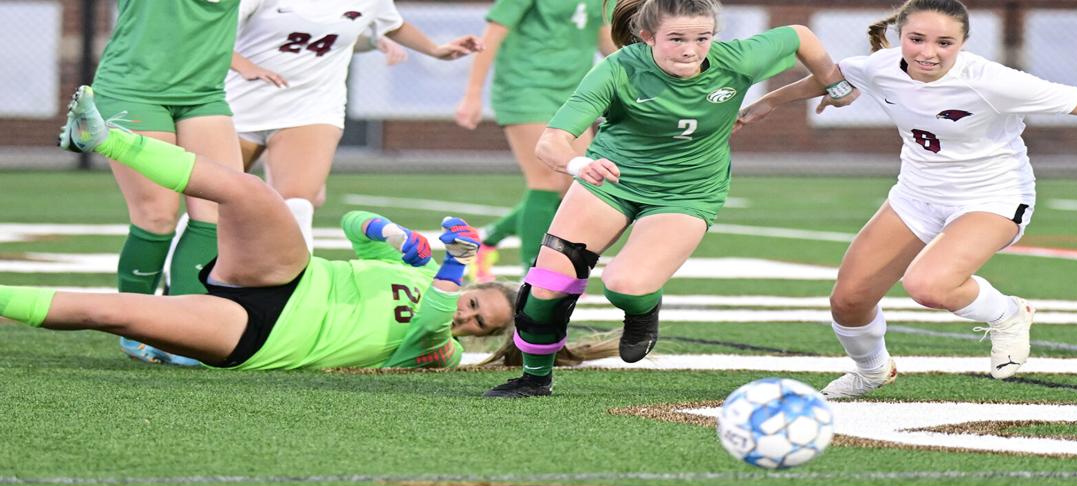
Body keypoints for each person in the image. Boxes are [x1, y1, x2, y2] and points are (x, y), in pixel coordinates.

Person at [736, 0, 1077, 398]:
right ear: (900, 37)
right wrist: (770, 102)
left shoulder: (990, 80)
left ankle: (1009, 313)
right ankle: (872, 372)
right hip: (916, 194)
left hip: (993, 195)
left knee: (929, 285)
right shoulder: (883, 66)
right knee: (848, 301)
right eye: (917, 39)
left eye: (944, 42)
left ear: (963, 43)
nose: (928, 52)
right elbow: (833, 78)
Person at [482, 0, 858, 397]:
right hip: (611, 180)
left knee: (625, 285)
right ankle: (535, 378)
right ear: (648, 37)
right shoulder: (620, 68)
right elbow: (551, 142)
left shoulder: (737, 59)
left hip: (688, 192)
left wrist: (833, 83)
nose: (691, 50)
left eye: (702, 38)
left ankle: (641, 311)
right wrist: (578, 165)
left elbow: (799, 36)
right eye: (676, 39)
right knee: (546, 285)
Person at [0, 89, 513, 372]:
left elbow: (431, 321)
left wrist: (452, 263)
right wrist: (401, 237)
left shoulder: (440, 349)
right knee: (250, 193)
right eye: (475, 304)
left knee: (107, 312)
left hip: (262, 342)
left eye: (480, 326)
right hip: (287, 277)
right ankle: (104, 138)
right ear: (474, 290)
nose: (467, 319)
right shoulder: (422, 273)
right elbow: (357, 226)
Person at [227, 0, 484, 251]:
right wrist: (243, 66)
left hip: (310, 107)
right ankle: (196, 275)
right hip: (237, 104)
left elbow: (391, 24)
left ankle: (293, 288)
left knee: (297, 206)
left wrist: (435, 50)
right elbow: (203, 32)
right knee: (210, 203)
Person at [89, 0, 249, 365]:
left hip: (203, 94)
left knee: (219, 209)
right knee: (157, 215)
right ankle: (134, 328)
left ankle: (184, 333)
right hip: (132, 89)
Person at [456, 0, 615, 281]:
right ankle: (534, 276)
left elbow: (605, 39)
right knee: (546, 179)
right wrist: (472, 93)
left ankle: (489, 237)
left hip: (575, 92)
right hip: (525, 87)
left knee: (581, 185)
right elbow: (491, 37)